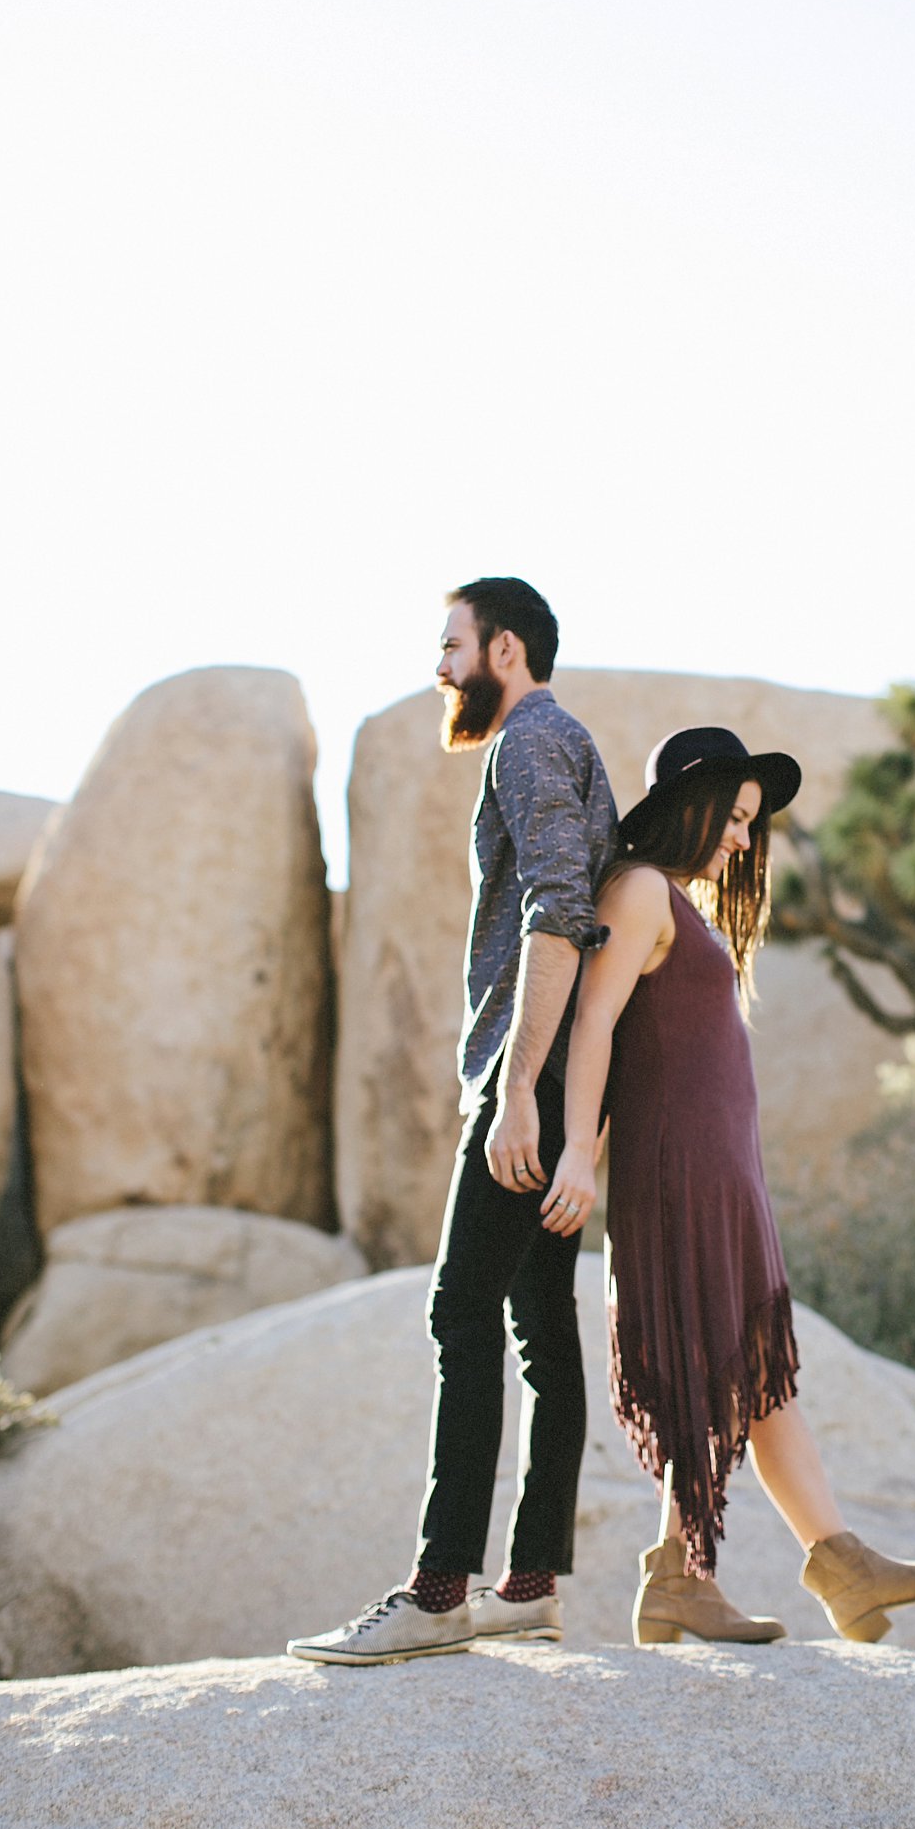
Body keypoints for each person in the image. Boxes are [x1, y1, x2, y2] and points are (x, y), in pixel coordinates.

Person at [541, 725, 915, 1646]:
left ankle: (786, 1573)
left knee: (751, 1376)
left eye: (749, 824)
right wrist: (579, 1148)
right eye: (733, 818)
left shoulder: (679, 905)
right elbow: (595, 1023)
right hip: (678, 1176)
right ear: (690, 805)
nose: (741, 840)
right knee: (714, 1366)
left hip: (724, 1176)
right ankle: (770, 1569)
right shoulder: (643, 890)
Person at [288, 578, 619, 1664]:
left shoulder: (527, 742)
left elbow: (562, 908)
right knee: (540, 1327)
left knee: (458, 1313)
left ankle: (439, 1590)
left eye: (452, 645)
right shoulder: (572, 744)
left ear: (505, 649)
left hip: (534, 1071)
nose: (440, 668)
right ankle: (529, 1585)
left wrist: (518, 1089)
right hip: (570, 1072)